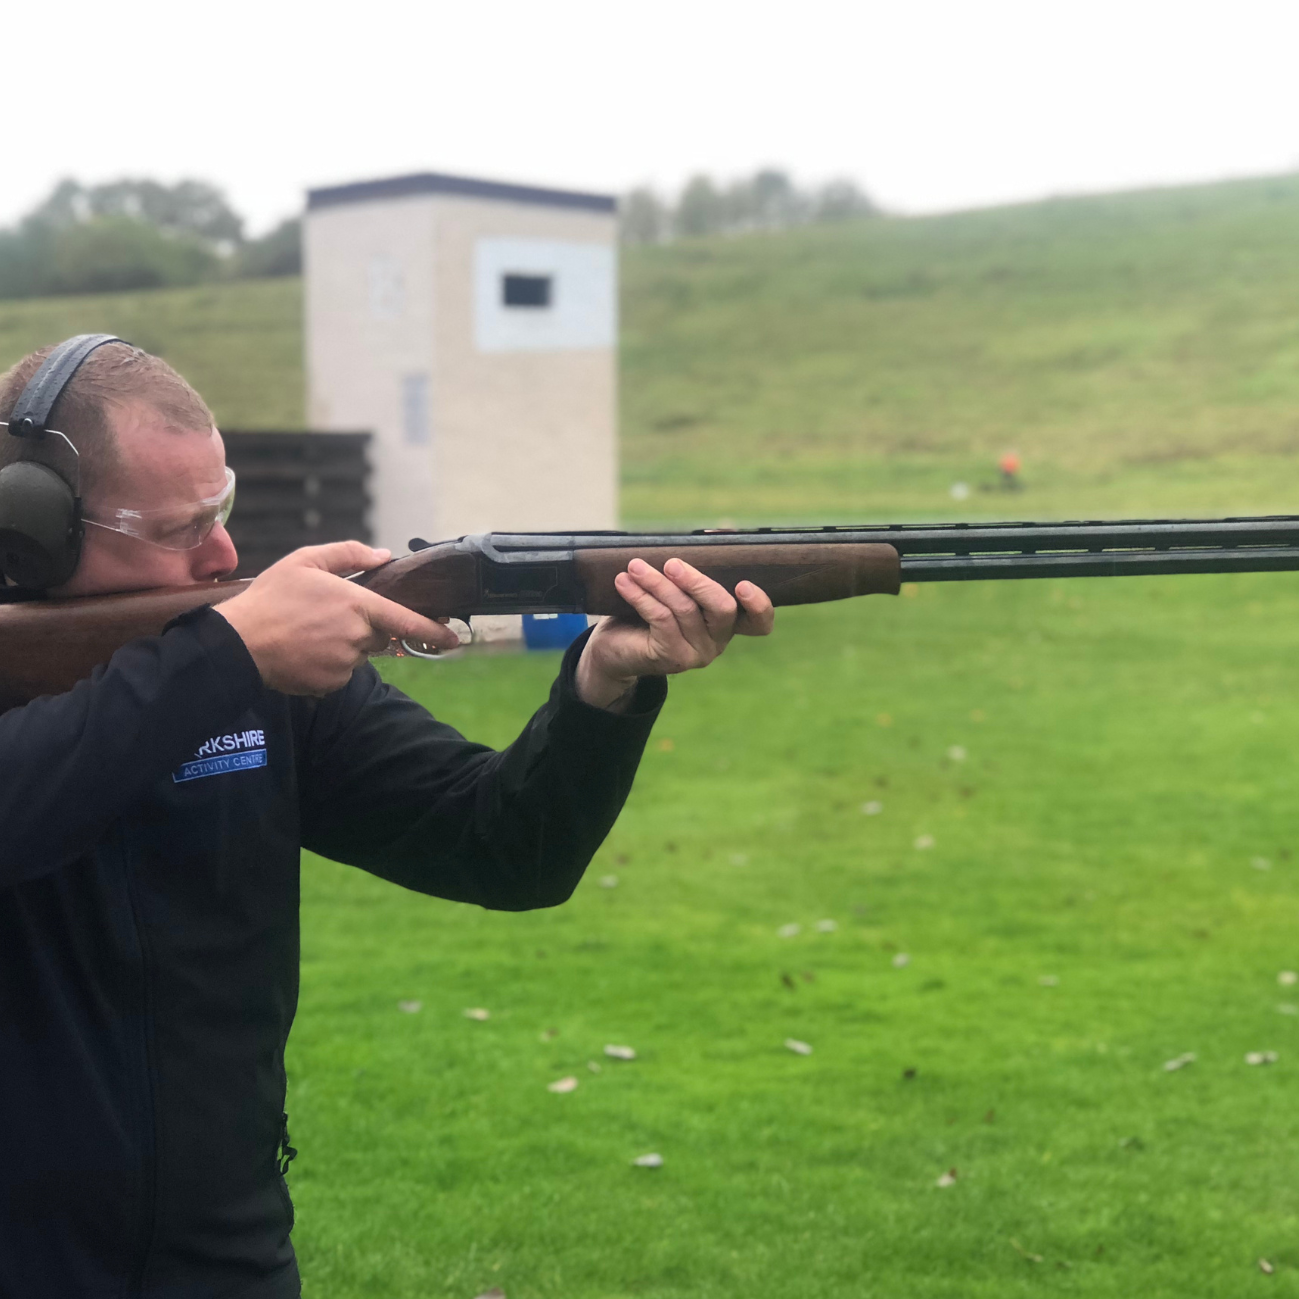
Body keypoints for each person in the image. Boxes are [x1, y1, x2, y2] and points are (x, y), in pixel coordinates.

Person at [0, 341, 775, 1298]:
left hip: (223, 1250)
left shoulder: (257, 673)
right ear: (31, 530)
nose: (227, 555)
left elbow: (504, 850)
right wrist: (223, 659)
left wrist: (603, 683)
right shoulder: (229, 658)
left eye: (223, 509)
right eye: (180, 527)